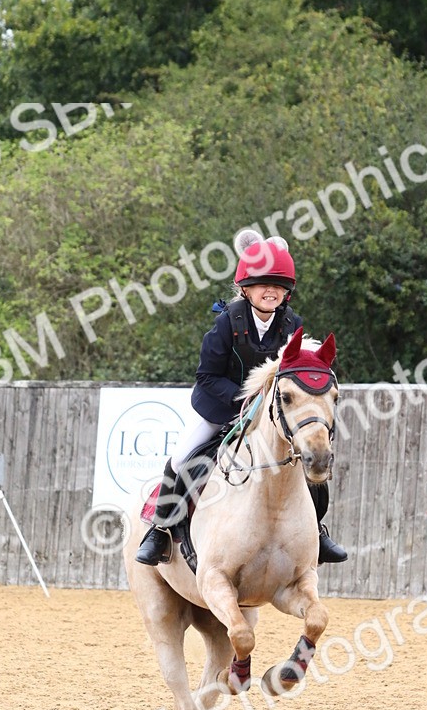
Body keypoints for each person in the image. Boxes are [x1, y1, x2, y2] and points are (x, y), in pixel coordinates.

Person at [135, 228, 348, 566]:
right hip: (220, 408)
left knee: (309, 457)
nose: (271, 291)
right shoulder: (226, 323)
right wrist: (243, 400)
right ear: (246, 289)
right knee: (180, 458)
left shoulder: (293, 324)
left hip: (272, 414)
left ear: (287, 292)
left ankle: (317, 532)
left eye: (278, 286)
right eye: (264, 284)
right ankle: (159, 530)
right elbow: (206, 376)